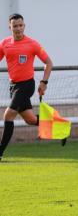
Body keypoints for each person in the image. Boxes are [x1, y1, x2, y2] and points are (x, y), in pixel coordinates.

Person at [0, 13, 53, 161]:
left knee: (8, 115)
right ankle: (60, 128)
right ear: (9, 27)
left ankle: (0, 152)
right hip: (14, 86)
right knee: (30, 119)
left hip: (27, 85)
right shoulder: (4, 43)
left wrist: (44, 82)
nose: (18, 28)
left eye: (20, 25)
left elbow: (49, 63)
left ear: (24, 26)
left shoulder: (33, 44)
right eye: (15, 26)